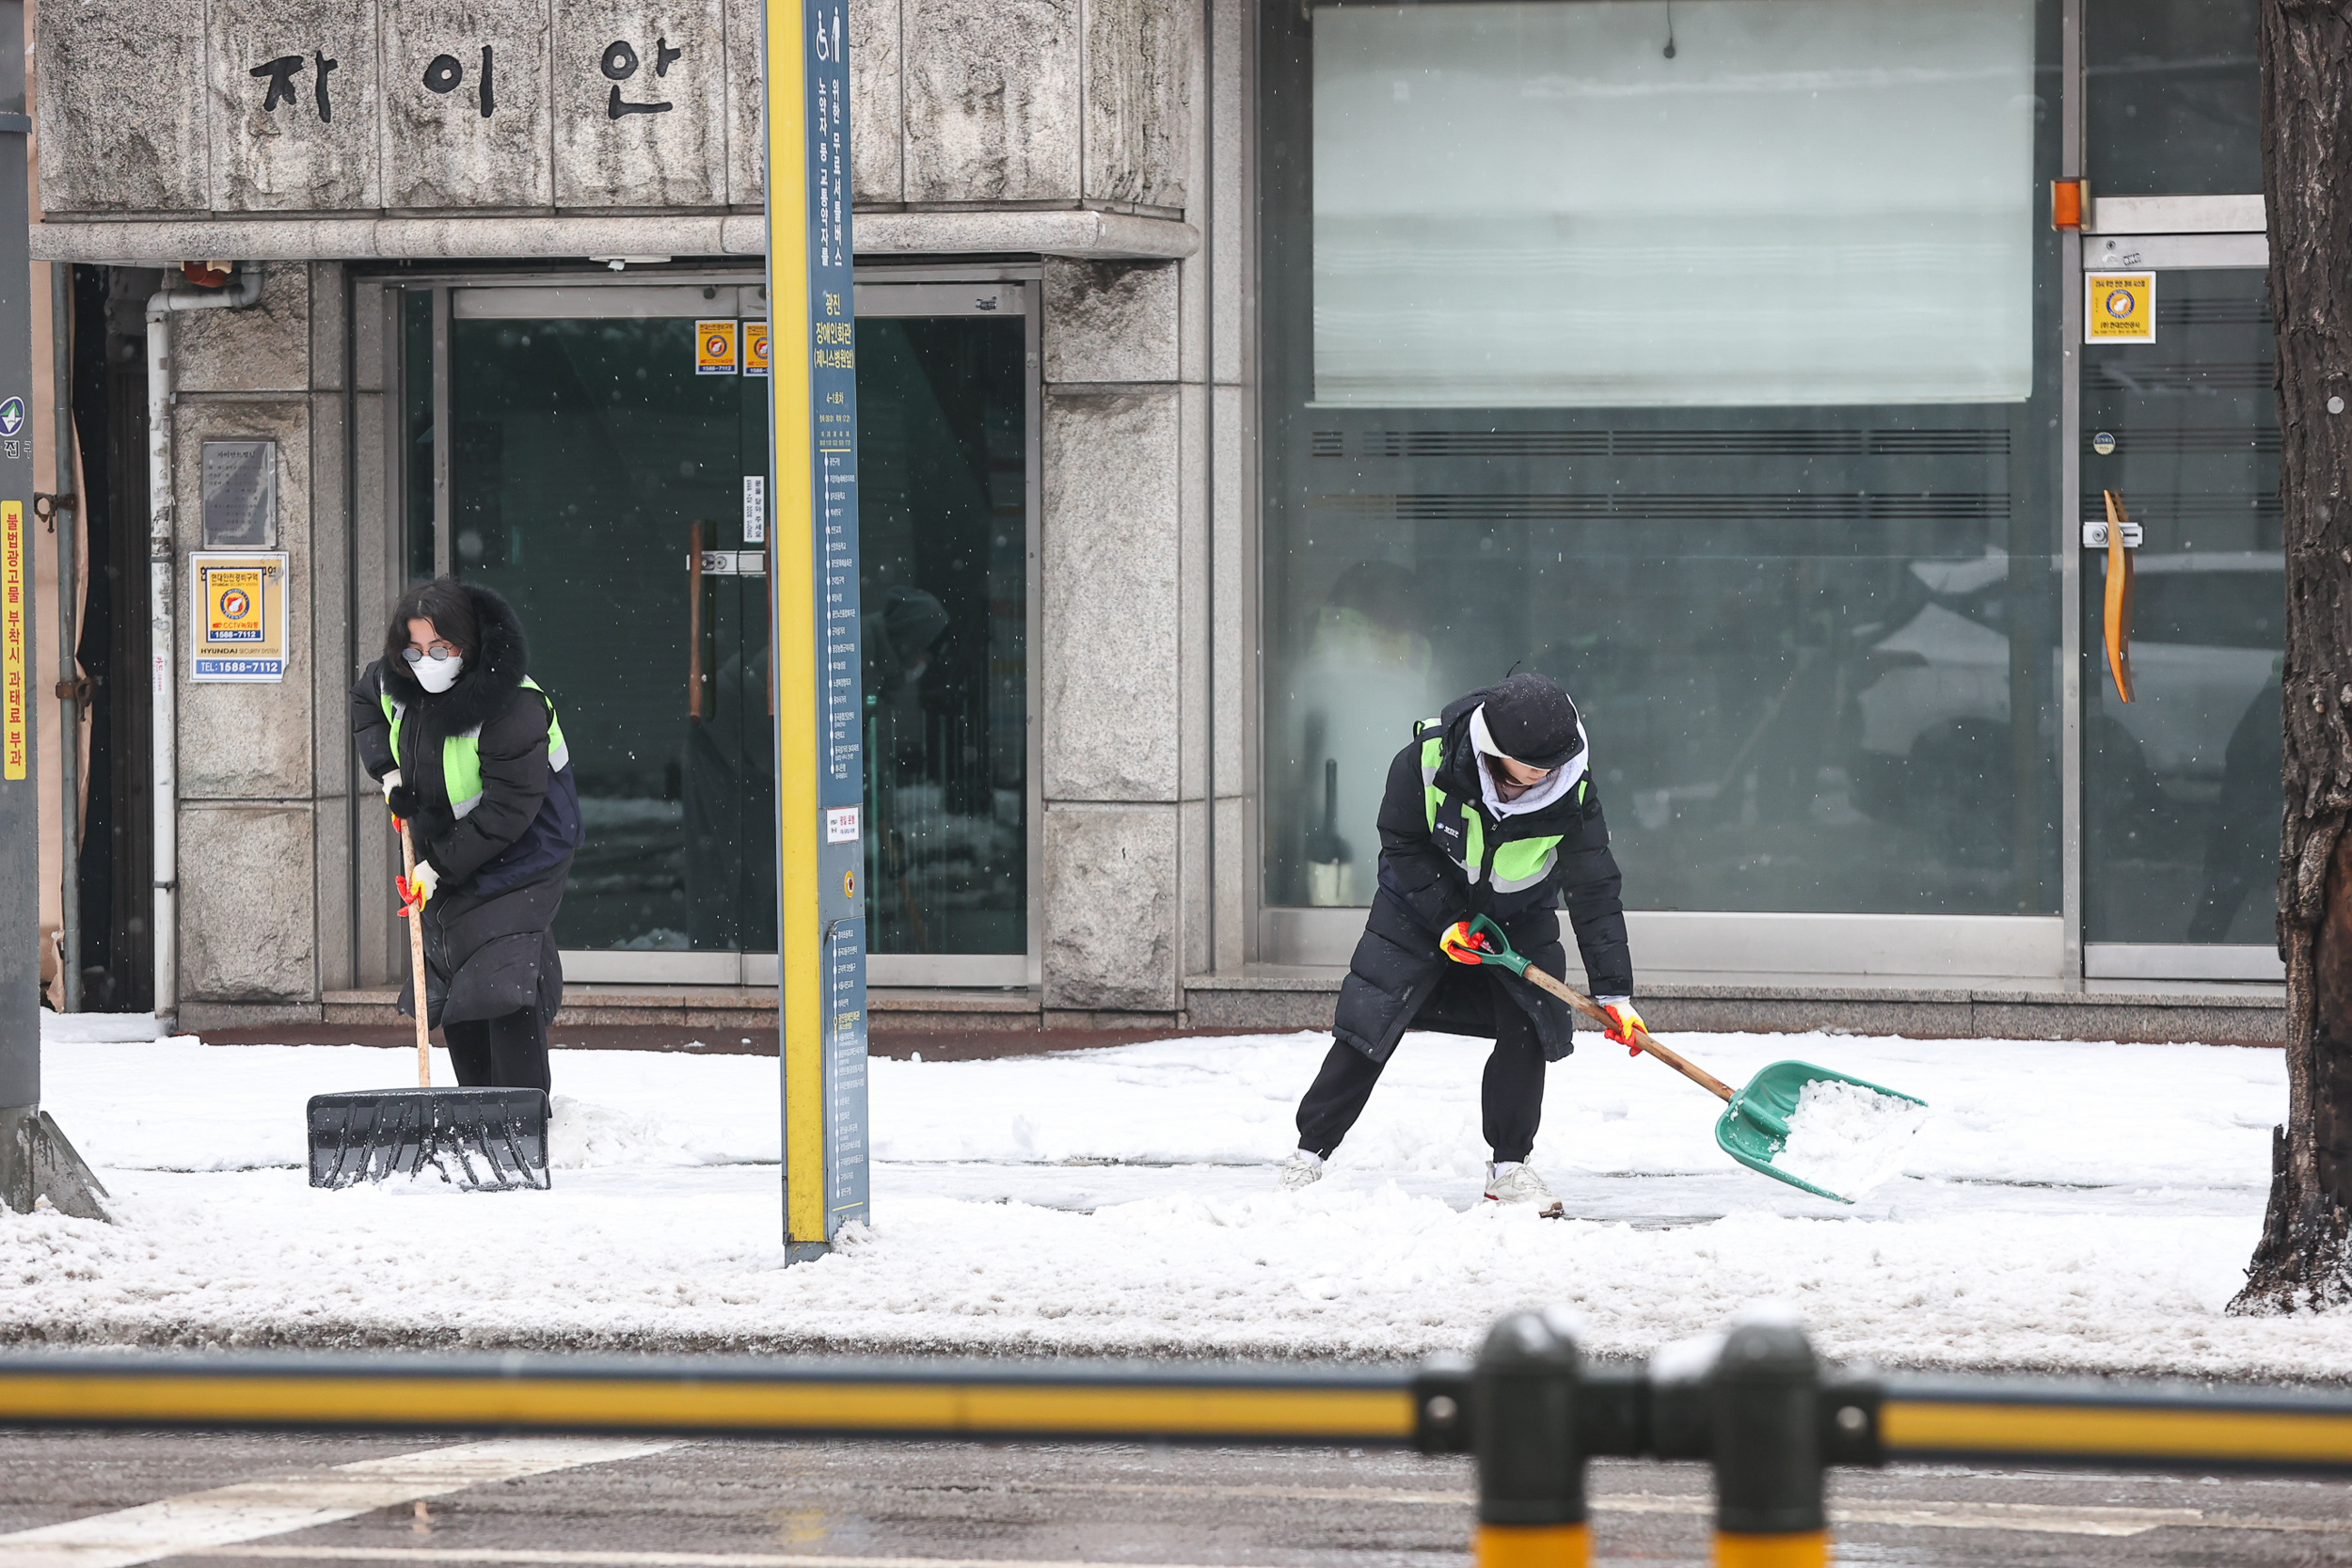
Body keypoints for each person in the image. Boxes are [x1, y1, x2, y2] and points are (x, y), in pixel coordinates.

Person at [1278, 672, 1640, 1213]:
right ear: (1495, 748)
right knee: (1369, 1023)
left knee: (1531, 1024)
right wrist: (1447, 918)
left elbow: (1594, 888)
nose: (1548, 775)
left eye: (1555, 765)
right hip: (1418, 913)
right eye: (1535, 766)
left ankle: (1510, 1169)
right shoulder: (1425, 762)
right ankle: (1308, 1157)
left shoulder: (1573, 788)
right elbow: (1400, 843)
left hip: (1517, 919)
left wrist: (1615, 993)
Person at [352, 578, 583, 1093]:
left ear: (468, 644)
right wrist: (389, 776)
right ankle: (475, 1111)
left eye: (440, 649)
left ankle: (520, 1113)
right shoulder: (396, 680)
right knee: (456, 973)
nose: (426, 661)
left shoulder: (513, 705)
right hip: (450, 845)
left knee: (500, 978)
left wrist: (436, 870)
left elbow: (510, 808)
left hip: (526, 849)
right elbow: (365, 703)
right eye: (414, 649)